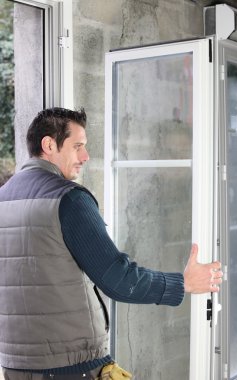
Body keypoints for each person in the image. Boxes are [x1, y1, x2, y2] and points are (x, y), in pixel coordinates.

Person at [0, 107, 223, 380]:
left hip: (15, 367)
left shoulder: (3, 198)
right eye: (78, 146)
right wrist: (183, 283)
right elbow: (118, 279)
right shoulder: (68, 199)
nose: (86, 156)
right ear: (48, 145)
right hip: (71, 369)